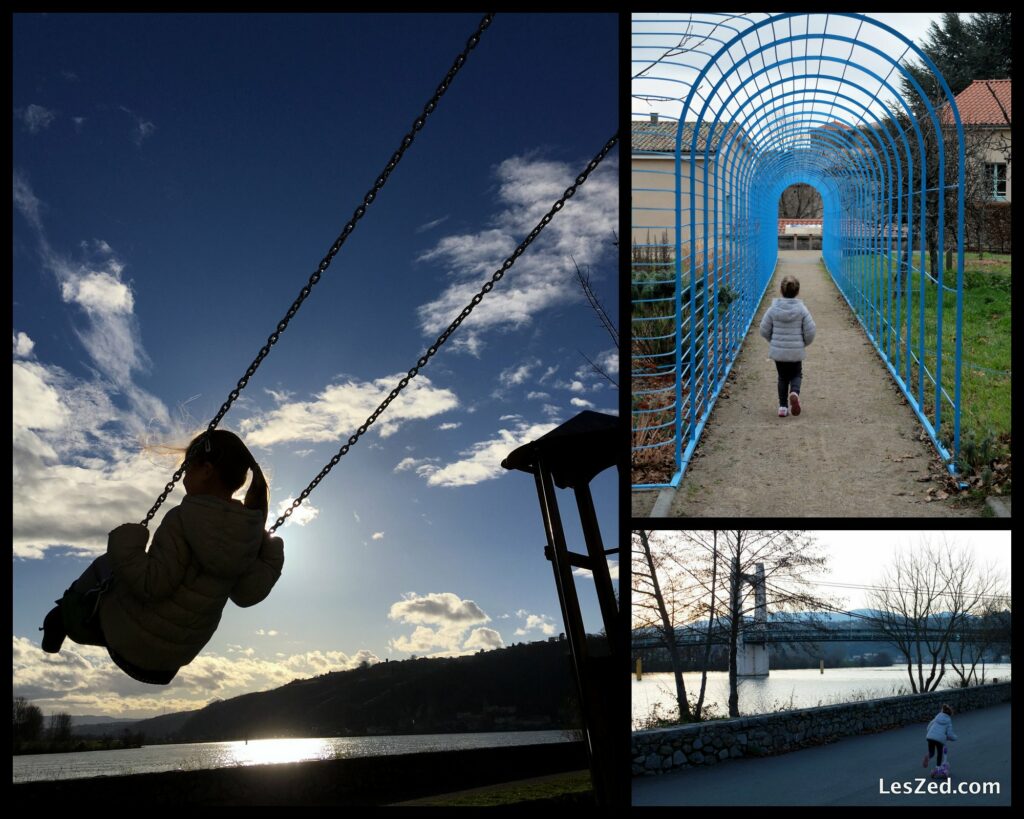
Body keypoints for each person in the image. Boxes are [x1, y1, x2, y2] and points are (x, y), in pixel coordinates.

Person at [40, 429, 284, 685]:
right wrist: (270, 556)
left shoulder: (183, 518)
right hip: (172, 660)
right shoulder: (249, 534)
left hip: (134, 642)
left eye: (188, 467)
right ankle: (79, 616)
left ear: (206, 470)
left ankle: (63, 614)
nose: (183, 475)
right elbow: (246, 595)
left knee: (108, 563)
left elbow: (151, 584)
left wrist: (125, 542)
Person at [759, 275, 816, 417]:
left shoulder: (773, 309)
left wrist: (774, 342)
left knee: (782, 377)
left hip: (779, 352)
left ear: (781, 290)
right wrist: (804, 343)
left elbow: (763, 329)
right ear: (797, 292)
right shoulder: (802, 309)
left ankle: (783, 407)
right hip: (796, 351)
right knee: (797, 373)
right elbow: (811, 330)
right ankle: (795, 392)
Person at [923, 703, 958, 769]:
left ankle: (928, 756)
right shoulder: (948, 721)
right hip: (939, 739)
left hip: (930, 737)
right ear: (950, 714)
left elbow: (928, 727)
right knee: (939, 753)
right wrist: (955, 738)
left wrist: (931, 733)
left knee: (931, 752)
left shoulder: (936, 718)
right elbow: (950, 734)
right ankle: (938, 767)